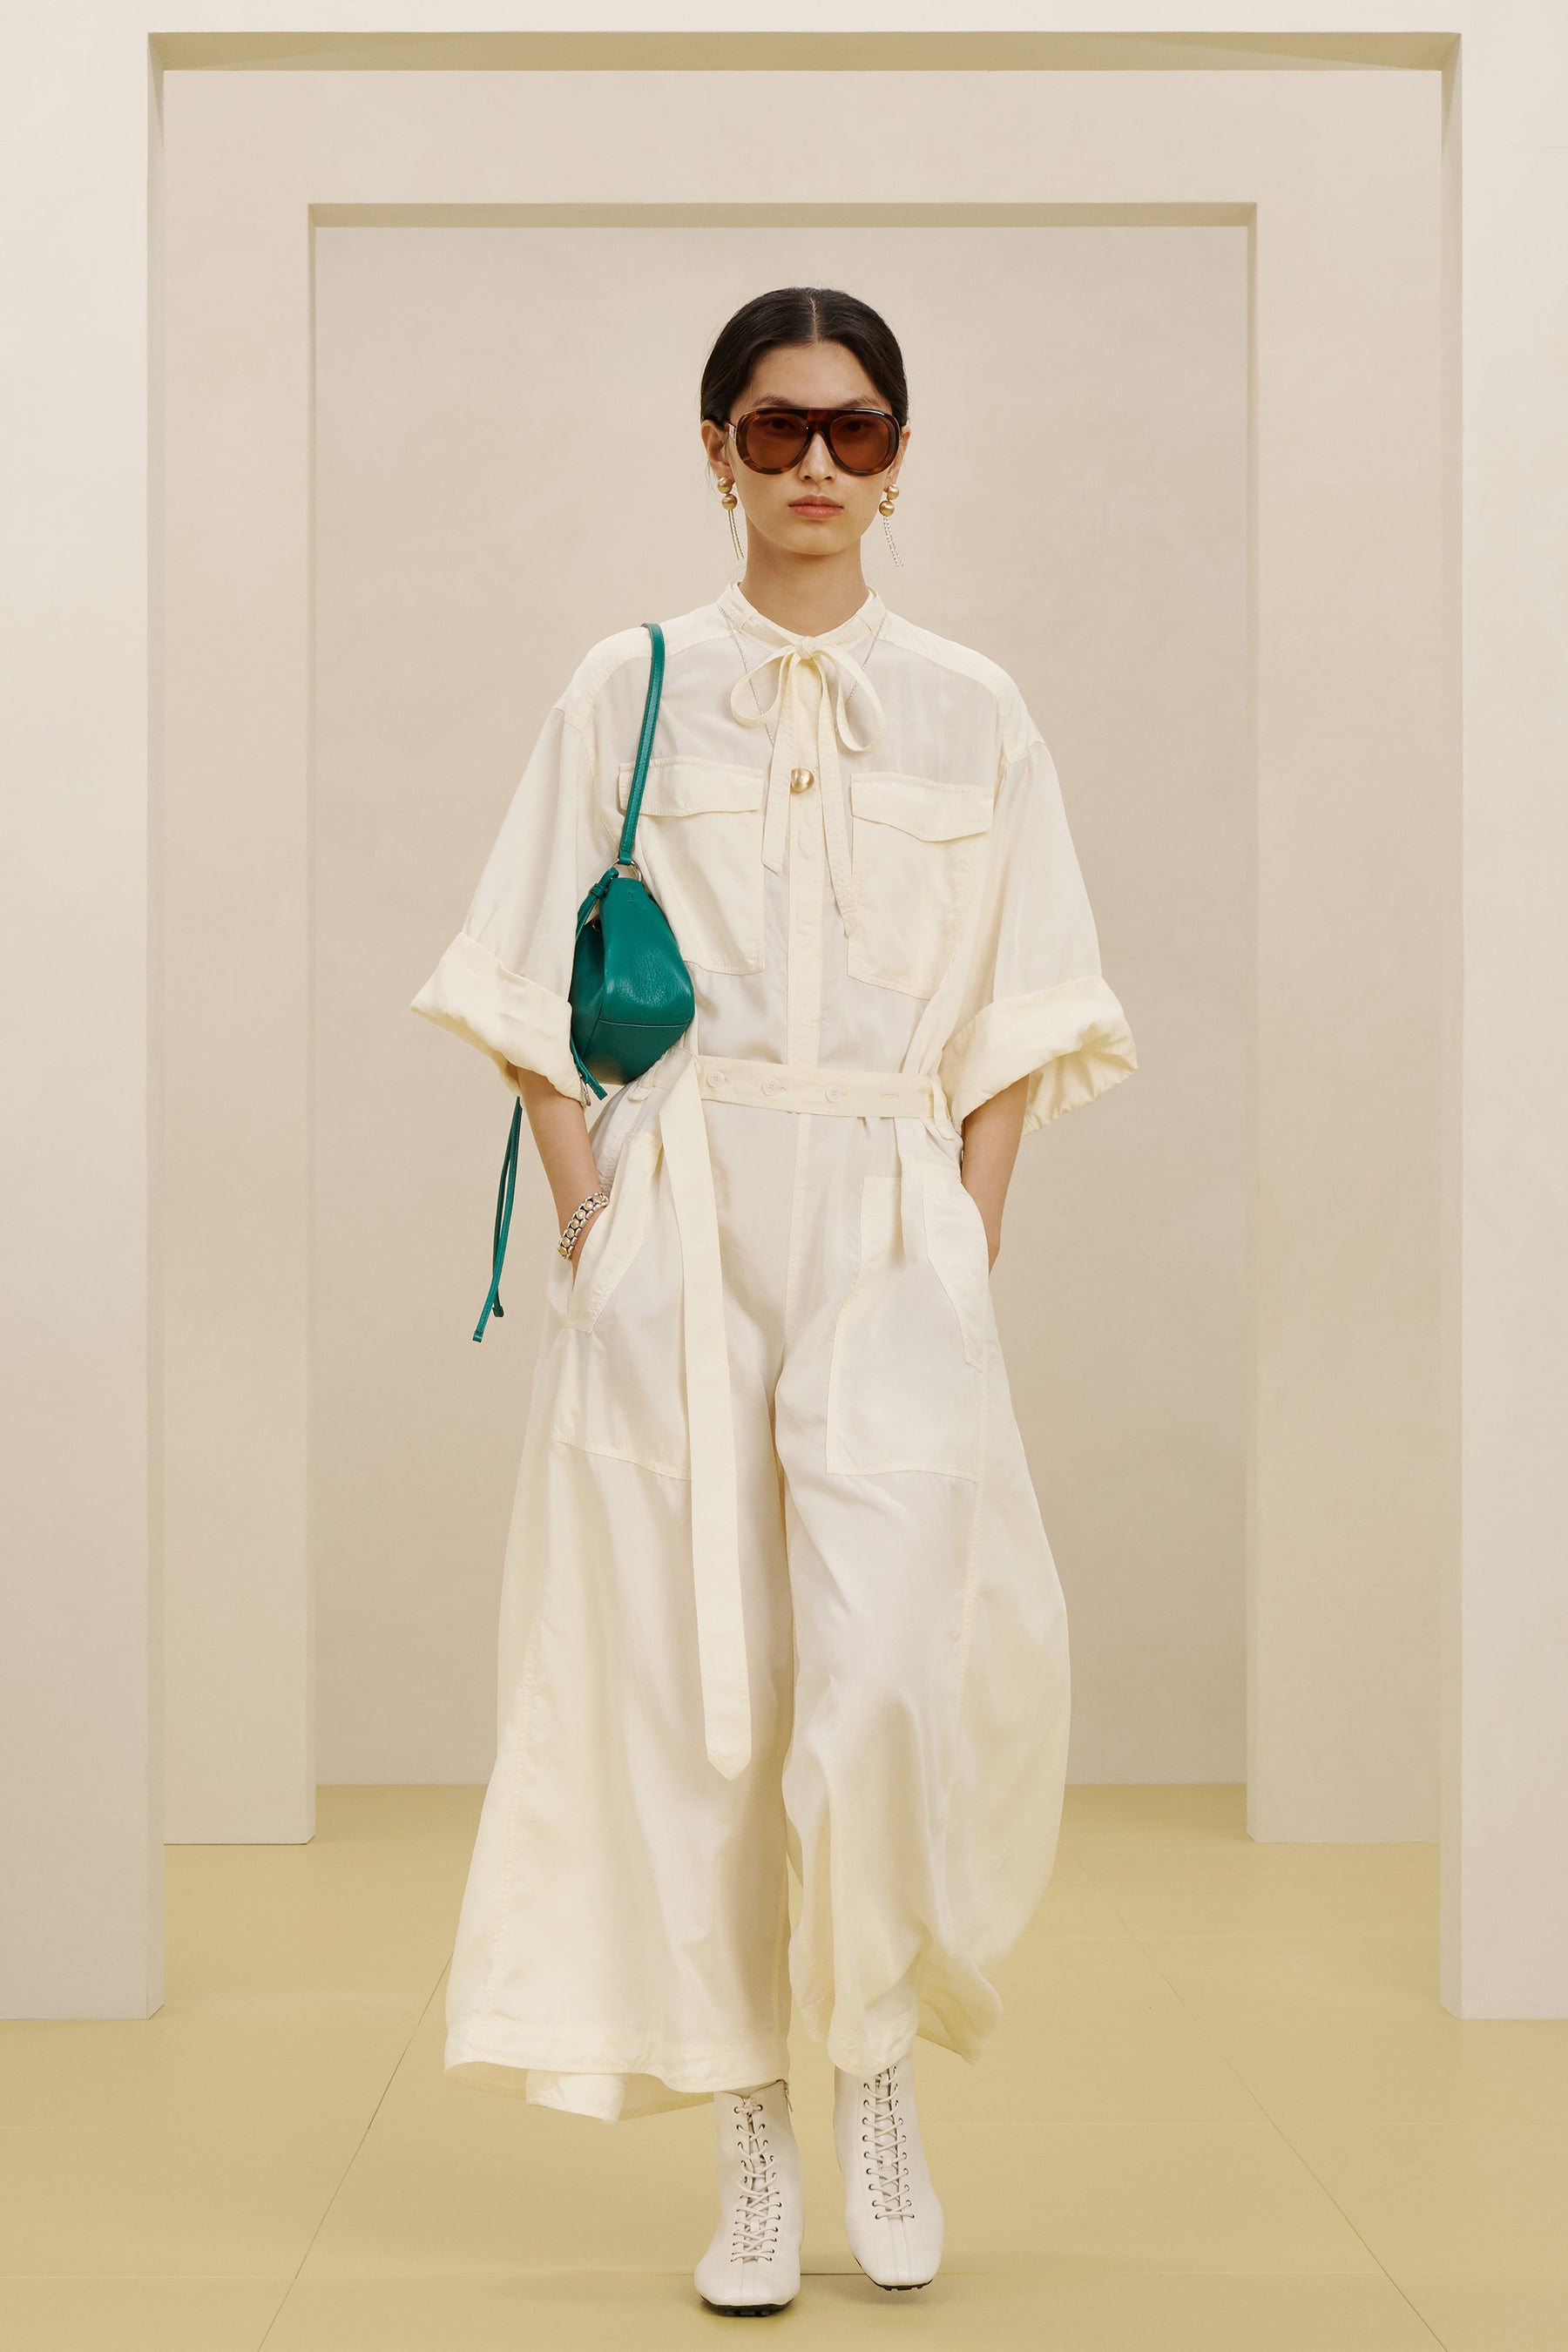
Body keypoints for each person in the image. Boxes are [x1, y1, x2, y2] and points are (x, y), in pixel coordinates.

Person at [410, 284, 1137, 2316]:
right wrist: (591, 1216)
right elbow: (515, 975)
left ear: (900, 462)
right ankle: (750, 2128)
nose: (819, 461)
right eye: (779, 425)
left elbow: (1023, 1006)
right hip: (682, 1210)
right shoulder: (627, 684)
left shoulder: (975, 711)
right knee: (694, 1693)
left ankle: (873, 2060)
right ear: (717, 449)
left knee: (884, 1673)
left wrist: (966, 1235)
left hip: (893, 1212)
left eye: (858, 428)